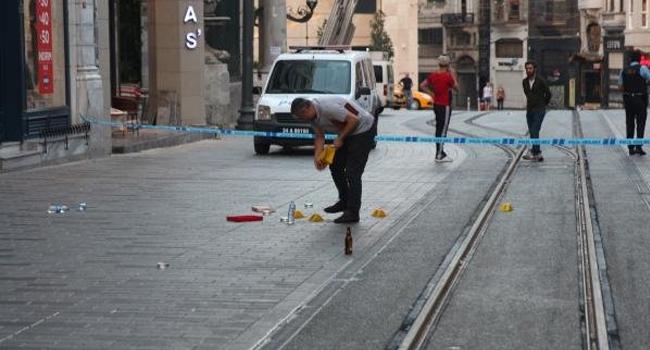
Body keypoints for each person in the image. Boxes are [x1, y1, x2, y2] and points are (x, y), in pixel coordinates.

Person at [291, 96, 375, 224]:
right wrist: (318, 157)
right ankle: (344, 201)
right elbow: (319, 136)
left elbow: (354, 120)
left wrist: (340, 138)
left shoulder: (328, 108)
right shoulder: (312, 116)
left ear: (307, 108)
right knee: (335, 166)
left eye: (302, 116)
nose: (303, 120)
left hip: (363, 129)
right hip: (349, 131)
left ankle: (353, 212)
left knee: (353, 173)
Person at [420, 55, 458, 162]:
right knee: (443, 129)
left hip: (436, 104)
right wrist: (453, 75)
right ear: (448, 65)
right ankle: (439, 154)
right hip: (445, 105)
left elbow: (422, 85)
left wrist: (431, 94)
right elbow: (457, 88)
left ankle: (439, 151)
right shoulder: (448, 76)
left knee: (438, 128)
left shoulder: (433, 75)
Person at [619, 49, 650, 155]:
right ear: (639, 58)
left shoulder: (624, 70)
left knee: (629, 123)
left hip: (628, 100)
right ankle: (638, 147)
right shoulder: (643, 68)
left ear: (630, 58)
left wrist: (628, 91)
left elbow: (620, 86)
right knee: (640, 123)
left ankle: (630, 148)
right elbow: (649, 79)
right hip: (640, 99)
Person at [522, 60, 552, 162]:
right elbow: (528, 95)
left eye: (530, 68)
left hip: (539, 110)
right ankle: (535, 151)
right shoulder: (524, 82)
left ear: (535, 69)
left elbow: (548, 94)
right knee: (532, 131)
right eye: (527, 68)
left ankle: (537, 152)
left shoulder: (541, 81)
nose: (528, 70)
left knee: (535, 130)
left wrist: (543, 104)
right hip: (529, 110)